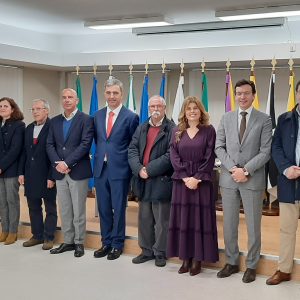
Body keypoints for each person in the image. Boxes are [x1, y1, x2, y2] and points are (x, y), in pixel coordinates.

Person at [215, 79, 272, 283]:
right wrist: (233, 168)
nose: (242, 97)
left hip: (252, 180)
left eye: (246, 93)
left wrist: (245, 170)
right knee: (229, 224)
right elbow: (219, 147)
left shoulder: (264, 120)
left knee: (253, 225)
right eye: (238, 93)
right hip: (229, 179)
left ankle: (251, 265)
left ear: (254, 95)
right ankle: (231, 262)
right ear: (235, 95)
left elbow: (266, 151)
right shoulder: (226, 118)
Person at [167, 96, 219, 276]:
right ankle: (185, 258)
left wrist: (196, 178)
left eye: (195, 108)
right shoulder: (176, 131)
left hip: (201, 183)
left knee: (199, 220)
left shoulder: (209, 130)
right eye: (188, 108)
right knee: (183, 220)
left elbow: (210, 156)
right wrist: (184, 177)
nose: (192, 111)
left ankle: (197, 259)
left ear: (201, 111)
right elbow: (173, 155)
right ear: (184, 112)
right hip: (182, 183)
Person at [93, 78, 139, 260]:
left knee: (118, 208)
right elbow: (99, 141)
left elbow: (133, 146)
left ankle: (117, 244)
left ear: (122, 94)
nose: (111, 96)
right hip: (100, 169)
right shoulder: (96, 115)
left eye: (115, 93)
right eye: (109, 93)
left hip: (120, 170)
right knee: (103, 207)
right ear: (105, 94)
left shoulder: (131, 117)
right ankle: (106, 242)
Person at [46, 88, 94, 257]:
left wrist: (67, 162)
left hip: (78, 171)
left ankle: (79, 242)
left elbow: (85, 144)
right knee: (65, 209)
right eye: (64, 97)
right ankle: (68, 241)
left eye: (70, 97)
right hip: (60, 172)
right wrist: (59, 164)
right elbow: (49, 145)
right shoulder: (54, 121)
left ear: (77, 100)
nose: (66, 100)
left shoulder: (87, 119)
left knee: (79, 209)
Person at [128, 95, 175, 267]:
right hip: (142, 179)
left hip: (161, 180)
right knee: (144, 218)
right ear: (148, 108)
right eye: (152, 106)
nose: (155, 109)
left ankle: (160, 252)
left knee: (162, 220)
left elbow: (171, 155)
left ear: (164, 108)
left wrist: (149, 169)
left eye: (159, 106)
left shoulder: (172, 129)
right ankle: (146, 250)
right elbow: (132, 150)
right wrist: (139, 169)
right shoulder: (141, 128)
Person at [266, 80, 300, 285]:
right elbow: (275, 148)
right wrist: (287, 168)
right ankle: (284, 269)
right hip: (289, 182)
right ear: (296, 93)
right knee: (287, 230)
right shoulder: (284, 119)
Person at [18, 99, 57, 250]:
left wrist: (51, 176)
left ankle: (49, 237)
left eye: (39, 109)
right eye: (33, 109)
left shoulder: (53, 127)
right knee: (33, 207)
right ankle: (37, 235)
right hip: (30, 174)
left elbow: (55, 154)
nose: (35, 112)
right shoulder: (28, 128)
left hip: (47, 175)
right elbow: (24, 153)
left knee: (50, 208)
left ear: (47, 111)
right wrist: (21, 172)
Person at [0, 97, 25, 245]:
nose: (2, 108)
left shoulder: (19, 125)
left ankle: (13, 232)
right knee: (2, 202)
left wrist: (1, 166)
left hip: (11, 169)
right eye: (0, 106)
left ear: (12, 109)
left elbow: (15, 150)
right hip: (1, 170)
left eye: (5, 106)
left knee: (11, 201)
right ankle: (4, 230)